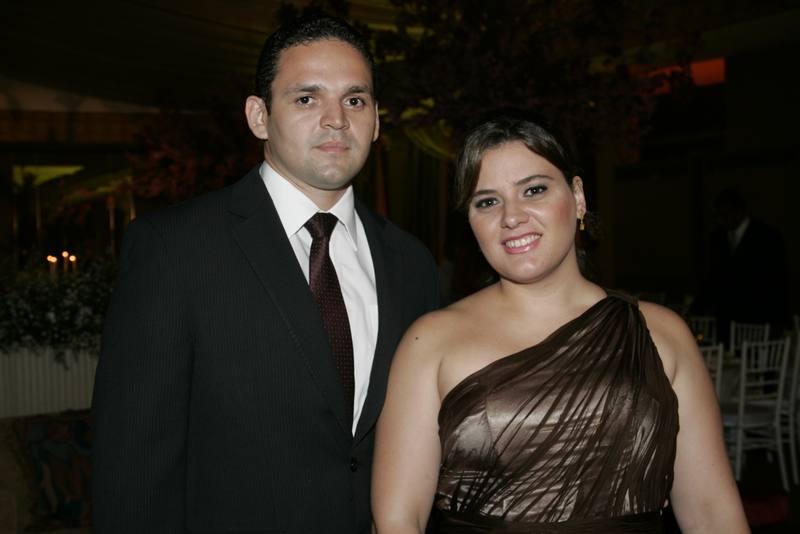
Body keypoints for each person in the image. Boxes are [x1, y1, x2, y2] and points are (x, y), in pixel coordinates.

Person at [92, 15, 440, 534]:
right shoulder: (174, 249)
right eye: (306, 98)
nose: (336, 120)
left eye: (355, 99)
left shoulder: (412, 264)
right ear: (259, 116)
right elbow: (133, 466)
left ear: (375, 121)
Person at [372, 116, 749, 533]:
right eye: (487, 202)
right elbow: (397, 520)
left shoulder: (661, 333)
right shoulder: (430, 341)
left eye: (534, 190)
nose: (512, 216)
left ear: (578, 196)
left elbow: (712, 512)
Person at [706, 187, 788, 343]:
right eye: (718, 215)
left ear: (738, 211)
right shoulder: (717, 238)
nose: (720, 220)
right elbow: (714, 277)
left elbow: (777, 281)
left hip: (758, 318)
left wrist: (778, 321)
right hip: (726, 319)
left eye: (724, 214)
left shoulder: (767, 237)